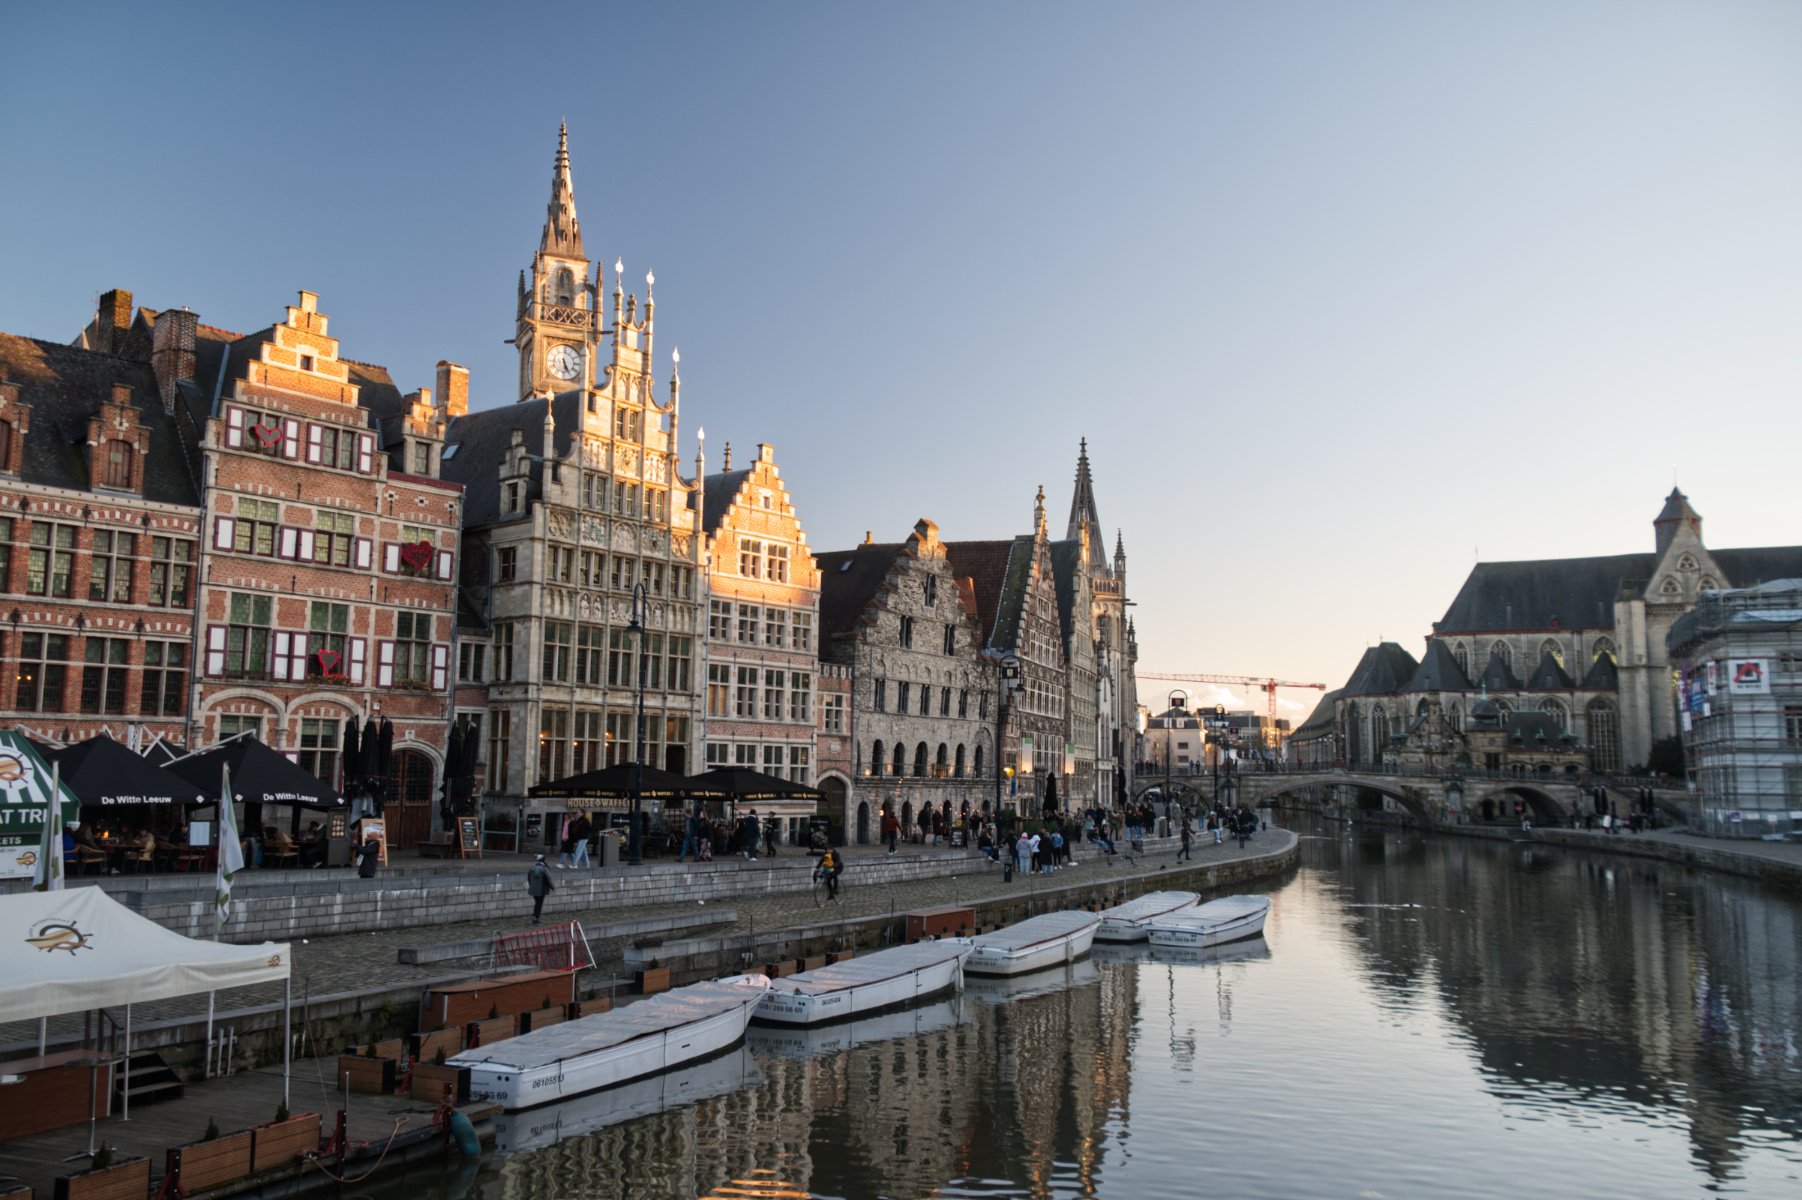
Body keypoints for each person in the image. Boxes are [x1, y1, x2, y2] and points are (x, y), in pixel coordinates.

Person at [526, 854, 554, 924]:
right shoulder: (544, 868)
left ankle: (535, 917)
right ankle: (536, 918)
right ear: (544, 860)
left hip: (533, 889)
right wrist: (552, 887)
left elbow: (529, 879)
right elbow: (549, 879)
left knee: (537, 903)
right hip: (542, 889)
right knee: (539, 904)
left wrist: (531, 886)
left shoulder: (532, 868)